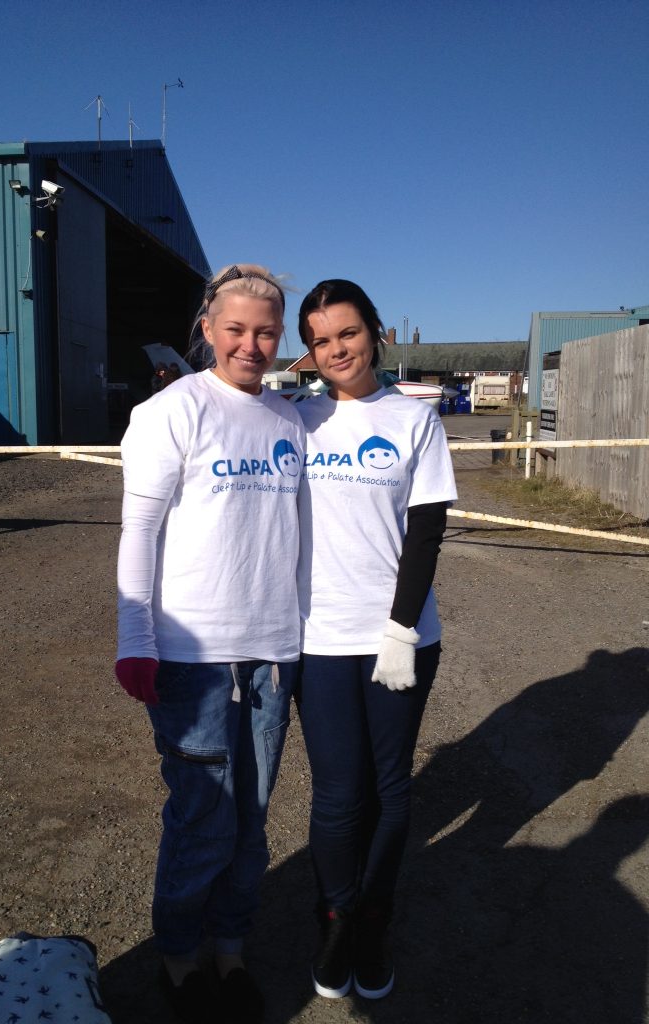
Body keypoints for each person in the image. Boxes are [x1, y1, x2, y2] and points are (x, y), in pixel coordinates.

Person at [115, 264, 305, 1024]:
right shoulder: (172, 410)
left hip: (274, 650)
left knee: (253, 815)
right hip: (194, 655)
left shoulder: (291, 419)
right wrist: (135, 636)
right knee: (202, 815)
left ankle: (230, 950)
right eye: (236, 329)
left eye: (265, 331)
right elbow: (140, 529)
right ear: (207, 326)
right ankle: (179, 961)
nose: (250, 345)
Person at [294, 279, 457, 1001]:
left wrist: (398, 629)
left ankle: (373, 923)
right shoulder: (295, 421)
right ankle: (335, 918)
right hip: (320, 637)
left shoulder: (414, 420)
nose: (337, 351)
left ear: (377, 333)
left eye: (348, 334)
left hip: (400, 638)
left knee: (390, 789)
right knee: (337, 794)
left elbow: (426, 533)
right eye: (322, 340)